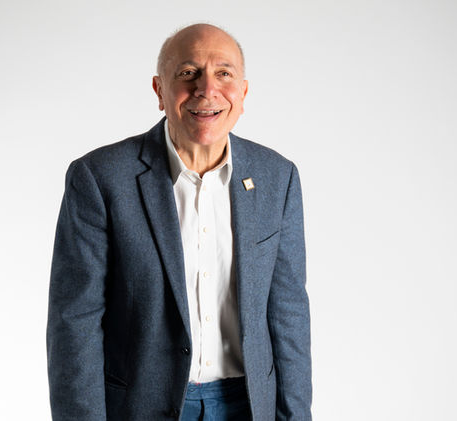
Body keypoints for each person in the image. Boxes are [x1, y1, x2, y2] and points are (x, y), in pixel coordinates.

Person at [47, 23, 311, 420]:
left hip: (248, 405)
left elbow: (288, 313)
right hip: (140, 407)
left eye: (224, 73)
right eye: (188, 73)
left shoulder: (277, 177)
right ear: (159, 90)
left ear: (243, 93)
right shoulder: (100, 178)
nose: (207, 89)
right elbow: (75, 323)